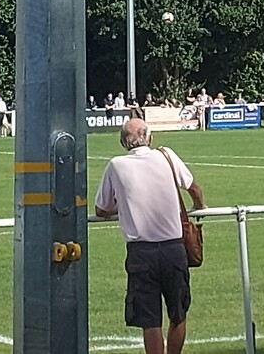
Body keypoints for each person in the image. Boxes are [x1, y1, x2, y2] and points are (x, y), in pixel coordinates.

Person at [95, 119, 207, 354]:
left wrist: (124, 206)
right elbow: (194, 188)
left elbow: (101, 209)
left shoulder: (116, 165)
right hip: (173, 249)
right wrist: (200, 206)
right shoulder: (166, 156)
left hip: (141, 252)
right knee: (178, 312)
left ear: (123, 142)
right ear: (150, 138)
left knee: (150, 320)